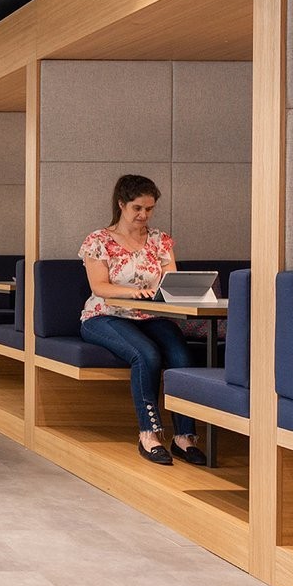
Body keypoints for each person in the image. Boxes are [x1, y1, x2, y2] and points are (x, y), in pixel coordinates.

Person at [78, 175, 204, 466]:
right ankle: (149, 434)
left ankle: (184, 437)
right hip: (105, 316)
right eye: (137, 208)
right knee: (146, 354)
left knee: (182, 356)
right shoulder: (98, 241)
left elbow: (170, 281)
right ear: (121, 204)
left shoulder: (160, 240)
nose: (143, 215)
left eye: (149, 209)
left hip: (150, 315)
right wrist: (133, 292)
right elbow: (100, 286)